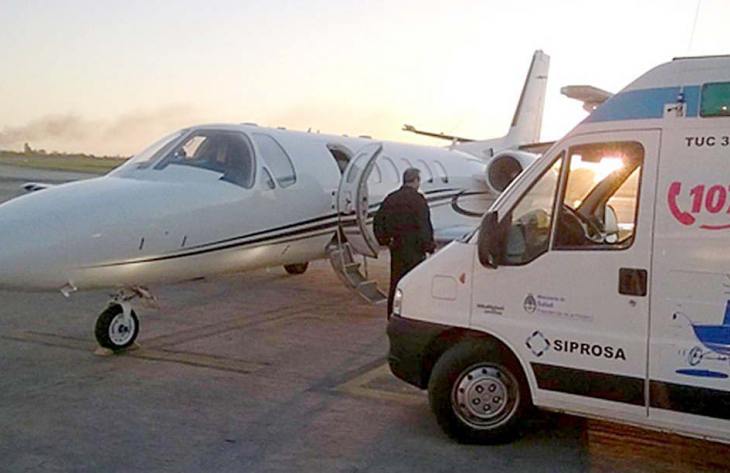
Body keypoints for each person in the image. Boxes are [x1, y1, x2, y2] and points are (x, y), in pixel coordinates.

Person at [374, 168, 436, 316]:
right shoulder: (418, 200)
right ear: (415, 181)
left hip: (397, 248)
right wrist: (429, 246)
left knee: (396, 282)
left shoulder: (391, 198)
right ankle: (412, 313)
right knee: (414, 283)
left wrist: (385, 240)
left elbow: (378, 222)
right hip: (415, 250)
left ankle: (393, 314)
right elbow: (424, 225)